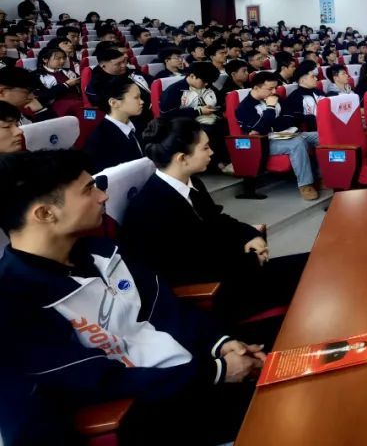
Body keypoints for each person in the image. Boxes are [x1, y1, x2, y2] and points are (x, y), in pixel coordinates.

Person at [0, 150, 265, 446]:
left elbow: (166, 309)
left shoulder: (102, 250)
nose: (103, 196)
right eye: (89, 190)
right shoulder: (14, 300)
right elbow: (101, 382)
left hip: (195, 368)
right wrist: (217, 372)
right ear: (45, 214)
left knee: (287, 356)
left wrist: (222, 344)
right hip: (155, 410)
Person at [121, 117, 308, 344]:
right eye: (205, 148)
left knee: (312, 265)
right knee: (310, 288)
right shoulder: (150, 208)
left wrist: (250, 235)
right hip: (215, 294)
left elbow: (218, 220)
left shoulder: (192, 184)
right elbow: (186, 267)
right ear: (182, 158)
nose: (212, 152)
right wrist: (249, 259)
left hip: (236, 272)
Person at [235, 72, 320, 201]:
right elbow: (259, 130)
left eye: (275, 88)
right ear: (256, 88)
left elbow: (290, 118)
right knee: (297, 143)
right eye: (270, 89)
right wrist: (270, 108)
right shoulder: (244, 107)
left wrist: (271, 125)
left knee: (321, 136)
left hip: (288, 134)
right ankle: (305, 185)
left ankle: (325, 175)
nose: (274, 91)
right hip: (265, 143)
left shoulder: (276, 97)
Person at [85, 77, 146, 172]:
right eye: (136, 98)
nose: (142, 102)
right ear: (114, 103)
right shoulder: (99, 140)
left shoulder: (140, 125)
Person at [86, 47, 153, 128]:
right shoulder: (97, 85)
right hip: (129, 119)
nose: (124, 65)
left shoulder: (132, 72)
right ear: (103, 66)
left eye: (124, 61)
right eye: (118, 64)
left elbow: (153, 84)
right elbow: (108, 109)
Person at [33, 47, 83, 117]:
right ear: (45, 59)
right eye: (58, 58)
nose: (62, 61)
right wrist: (66, 85)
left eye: (64, 58)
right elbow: (43, 96)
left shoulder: (69, 72)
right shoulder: (37, 76)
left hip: (78, 103)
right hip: (56, 108)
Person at [283, 60, 324, 131]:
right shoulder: (295, 97)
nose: (316, 79)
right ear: (302, 80)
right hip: (312, 131)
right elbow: (297, 121)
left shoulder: (319, 92)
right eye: (313, 77)